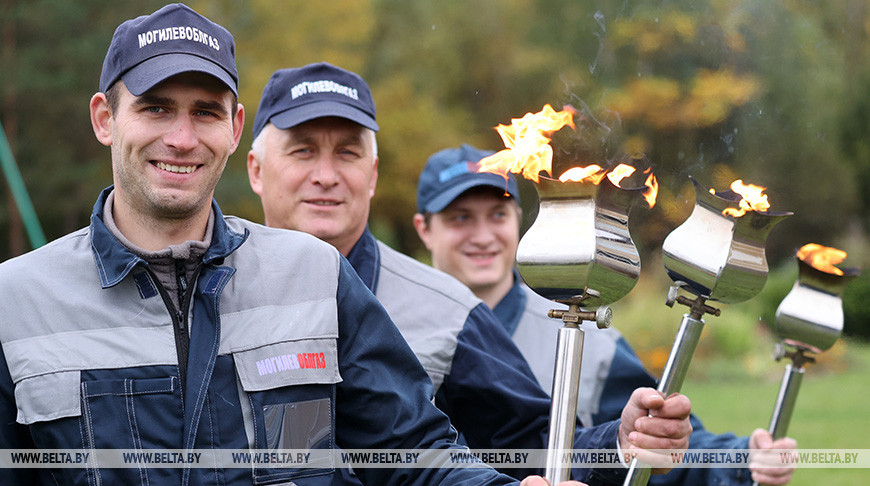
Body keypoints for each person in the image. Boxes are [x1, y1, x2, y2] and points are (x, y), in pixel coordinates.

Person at [0, 5, 577, 485]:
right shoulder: (17, 300)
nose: (181, 138)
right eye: (155, 108)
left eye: (205, 112)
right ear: (105, 118)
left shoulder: (314, 274)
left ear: (234, 128)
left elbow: (412, 454)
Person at [247, 62, 694, 484]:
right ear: (256, 170)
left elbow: (528, 444)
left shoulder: (451, 312)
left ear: (373, 175)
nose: (326, 175)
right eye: (303, 151)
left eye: (347, 153)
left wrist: (618, 442)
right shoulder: (202, 287)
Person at [412, 144, 800, 486]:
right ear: (424, 229)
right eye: (460, 218)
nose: (482, 236)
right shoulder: (388, 321)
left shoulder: (594, 341)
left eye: (497, 215)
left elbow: (658, 443)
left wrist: (740, 459)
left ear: (518, 218)